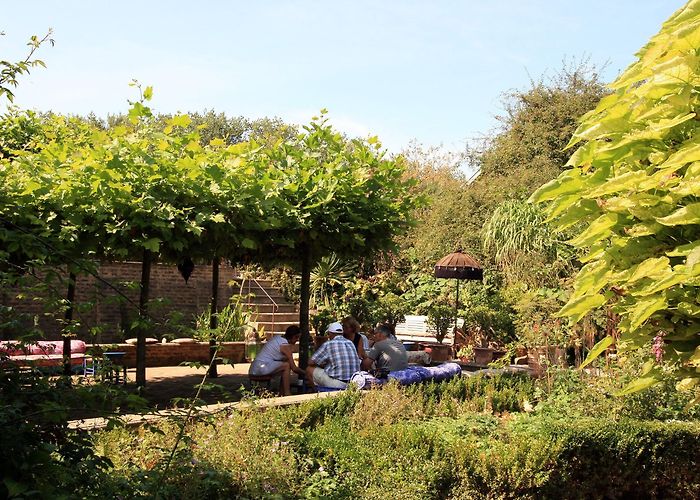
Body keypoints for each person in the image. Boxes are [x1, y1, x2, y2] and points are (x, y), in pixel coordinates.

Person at [249, 325, 305, 396]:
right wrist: (306, 373)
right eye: (297, 338)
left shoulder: (278, 338)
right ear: (293, 337)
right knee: (286, 366)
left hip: (254, 368)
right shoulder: (285, 345)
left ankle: (282, 393)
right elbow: (294, 368)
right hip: (260, 368)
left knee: (285, 364)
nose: (297, 340)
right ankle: (287, 393)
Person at [306, 321, 360, 389]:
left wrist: (321, 363)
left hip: (338, 383)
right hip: (353, 382)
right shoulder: (350, 343)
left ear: (330, 333)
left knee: (309, 369)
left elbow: (310, 362)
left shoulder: (328, 344)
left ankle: (316, 393)